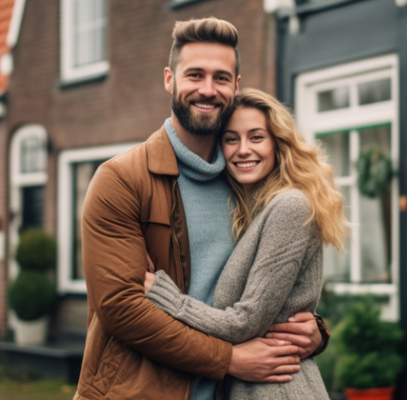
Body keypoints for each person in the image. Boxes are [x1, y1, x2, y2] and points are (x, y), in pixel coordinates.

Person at [74, 18, 329, 400]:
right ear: (169, 79)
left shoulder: (249, 185)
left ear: (236, 87)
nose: (208, 90)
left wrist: (314, 332)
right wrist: (228, 359)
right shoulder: (122, 179)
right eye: (195, 75)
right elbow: (121, 309)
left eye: (221, 78)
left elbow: (269, 290)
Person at [145, 88, 347, 399]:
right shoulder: (254, 211)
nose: (243, 150)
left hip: (280, 390)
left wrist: (163, 294)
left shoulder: (289, 207)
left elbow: (245, 322)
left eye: (256, 137)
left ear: (277, 143)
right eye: (231, 139)